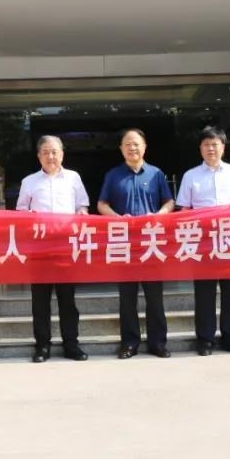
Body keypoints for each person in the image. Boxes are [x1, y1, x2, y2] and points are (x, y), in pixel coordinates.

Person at [97, 128, 175, 359]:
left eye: (136, 143)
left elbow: (169, 202)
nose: (132, 148)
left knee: (155, 297)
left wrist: (158, 215)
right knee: (127, 297)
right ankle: (129, 343)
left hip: (152, 242)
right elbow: (102, 205)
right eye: (128, 144)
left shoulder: (156, 174)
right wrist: (118, 218)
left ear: (144, 147)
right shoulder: (113, 175)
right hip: (125, 243)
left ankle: (158, 343)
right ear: (121, 148)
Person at [176, 126, 230, 356]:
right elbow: (184, 209)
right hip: (202, 242)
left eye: (215, 144)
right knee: (204, 293)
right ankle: (205, 339)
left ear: (223, 147)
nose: (211, 148)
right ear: (200, 148)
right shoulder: (190, 176)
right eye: (206, 144)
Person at [16, 135, 90, 363]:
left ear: (62, 154)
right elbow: (20, 212)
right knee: (40, 301)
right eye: (46, 152)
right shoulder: (29, 181)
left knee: (67, 300)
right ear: (39, 156)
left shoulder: (73, 178)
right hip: (39, 249)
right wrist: (29, 217)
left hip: (66, 248)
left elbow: (82, 206)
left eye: (55, 152)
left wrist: (81, 214)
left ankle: (71, 345)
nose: (51, 156)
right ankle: (42, 346)